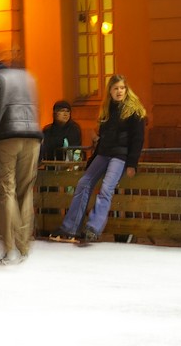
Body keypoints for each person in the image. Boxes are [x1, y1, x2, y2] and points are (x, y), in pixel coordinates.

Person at [50, 74, 146, 243]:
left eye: (122, 88)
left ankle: (93, 227)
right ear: (110, 90)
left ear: (126, 89)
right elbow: (103, 138)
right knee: (83, 183)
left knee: (106, 188)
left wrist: (132, 163)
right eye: (116, 88)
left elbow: (137, 139)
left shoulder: (134, 111)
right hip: (104, 154)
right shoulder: (107, 110)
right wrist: (92, 159)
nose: (119, 91)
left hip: (120, 156)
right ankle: (70, 227)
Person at [0, 42, 42, 265]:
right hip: (32, 137)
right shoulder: (28, 78)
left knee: (6, 192)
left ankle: (9, 246)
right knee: (25, 192)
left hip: (6, 138)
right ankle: (24, 246)